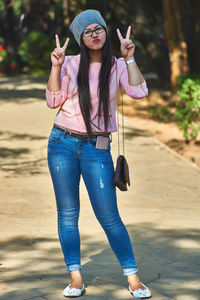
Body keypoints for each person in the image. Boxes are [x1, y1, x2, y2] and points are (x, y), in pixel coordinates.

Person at [46, 9, 151, 299]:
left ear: (106, 32)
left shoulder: (117, 65)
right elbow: (53, 100)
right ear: (80, 37)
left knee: (109, 215)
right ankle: (75, 277)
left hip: (97, 148)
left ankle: (133, 277)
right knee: (67, 214)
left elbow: (139, 92)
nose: (95, 34)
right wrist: (56, 66)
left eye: (99, 29)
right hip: (62, 144)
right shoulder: (69, 63)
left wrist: (130, 58)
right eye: (88, 31)